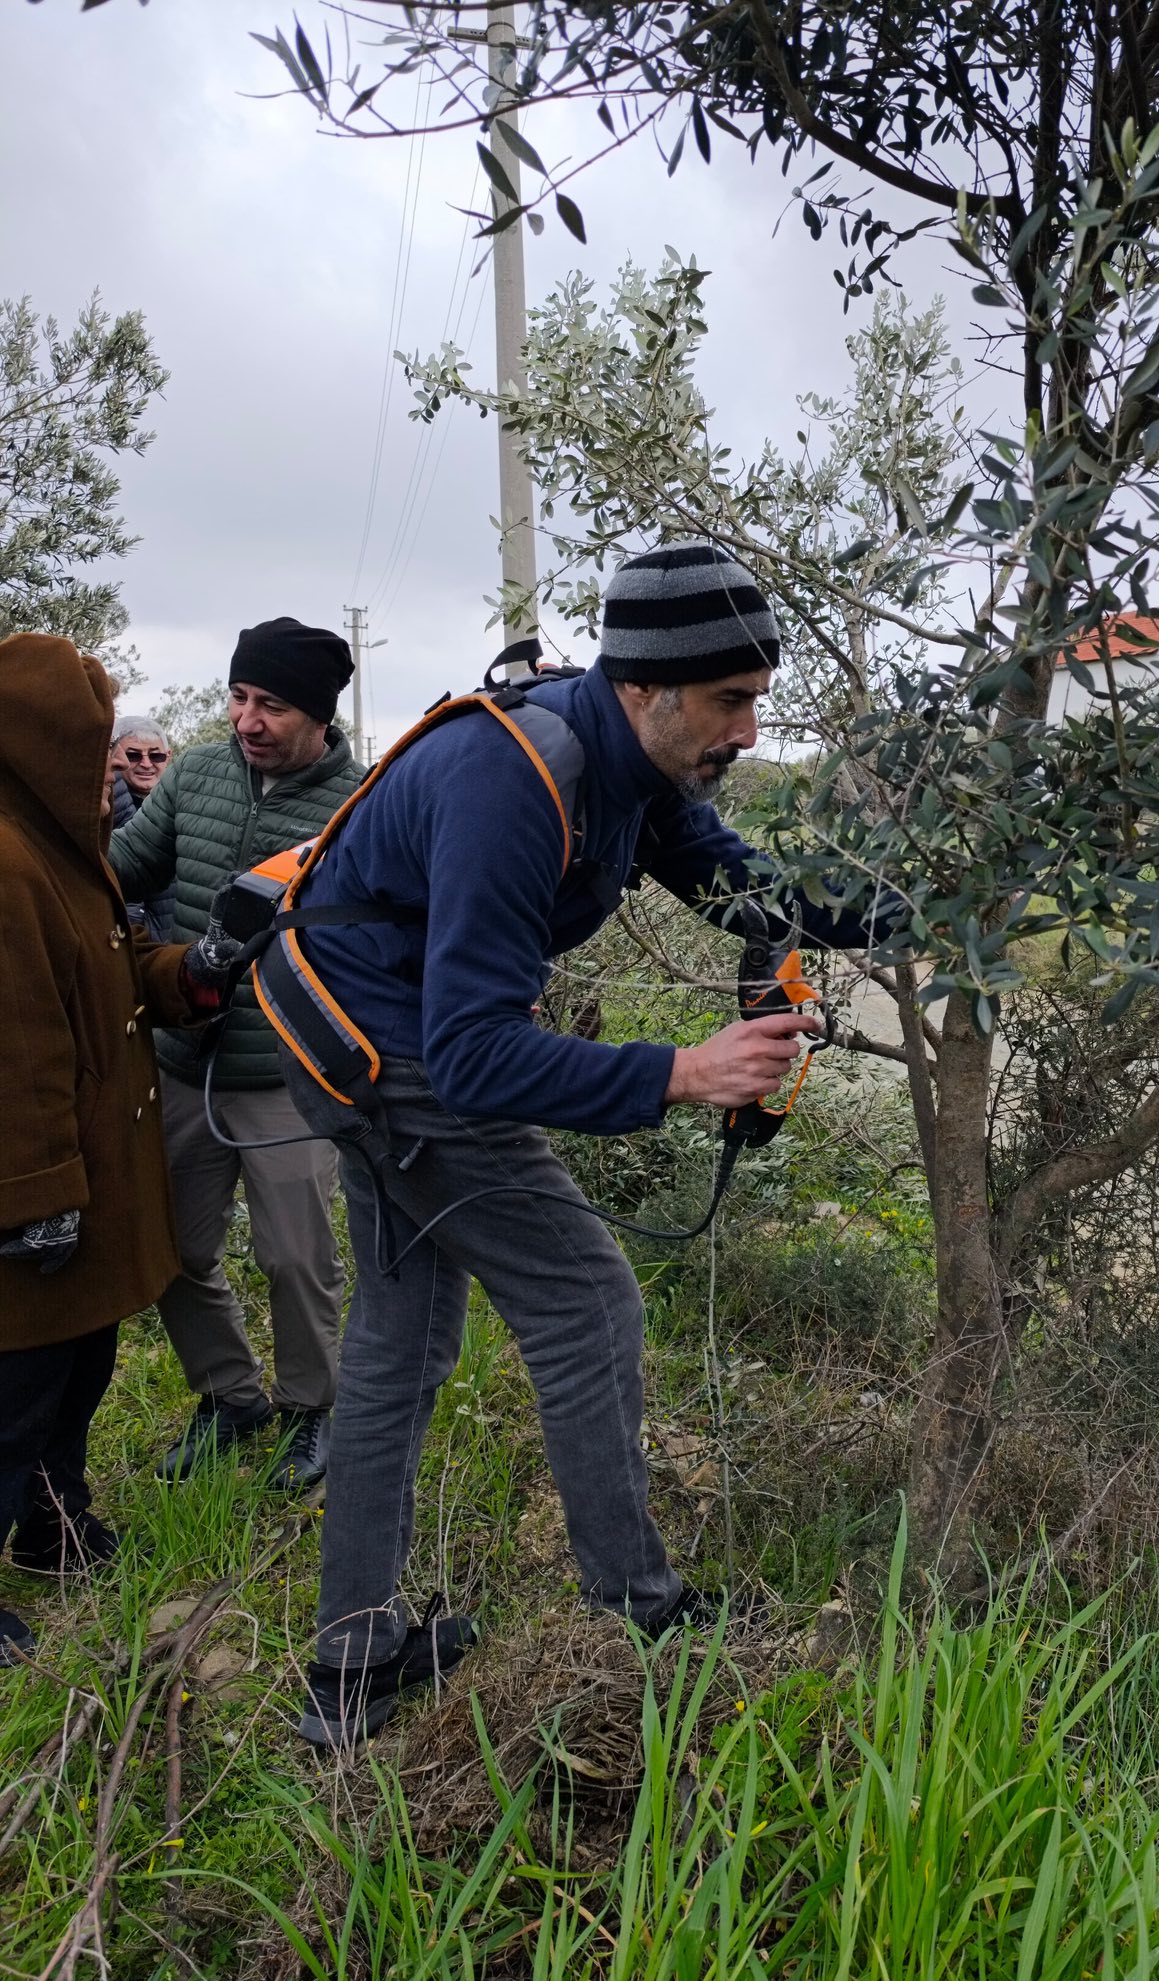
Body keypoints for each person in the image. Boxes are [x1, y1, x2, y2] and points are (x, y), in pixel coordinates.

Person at [279, 541, 888, 1748]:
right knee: (588, 1302)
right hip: (387, 1052)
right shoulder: (520, 781)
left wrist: (921, 903)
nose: (749, 729)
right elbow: (473, 1058)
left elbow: (743, 888)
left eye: (758, 698)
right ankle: (643, 1616)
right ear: (645, 686)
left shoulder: (634, 766)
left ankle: (350, 1663)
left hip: (362, 1025)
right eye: (730, 701)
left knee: (400, 1334)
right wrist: (686, 1071)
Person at [0, 634, 233, 1662]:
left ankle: (57, 1526)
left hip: (87, 1180)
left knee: (77, 1367)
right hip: (39, 1190)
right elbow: (18, 1052)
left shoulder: (62, 840)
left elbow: (129, 958)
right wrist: (33, 1194)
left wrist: (202, 966)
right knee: (15, 1393)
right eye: (93, 745)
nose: (112, 766)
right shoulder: (7, 861)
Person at [107, 618, 362, 1493]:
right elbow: (125, 873)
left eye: (273, 705)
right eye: (240, 697)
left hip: (289, 1075)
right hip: (181, 1060)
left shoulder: (356, 808)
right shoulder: (198, 773)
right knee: (171, 1248)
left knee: (296, 1256)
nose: (247, 720)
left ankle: (309, 1411)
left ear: (319, 716)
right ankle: (230, 1398)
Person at [109, 714, 176, 940]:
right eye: (134, 755)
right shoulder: (106, 809)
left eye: (155, 755)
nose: (146, 764)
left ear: (168, 757)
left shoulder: (183, 807)